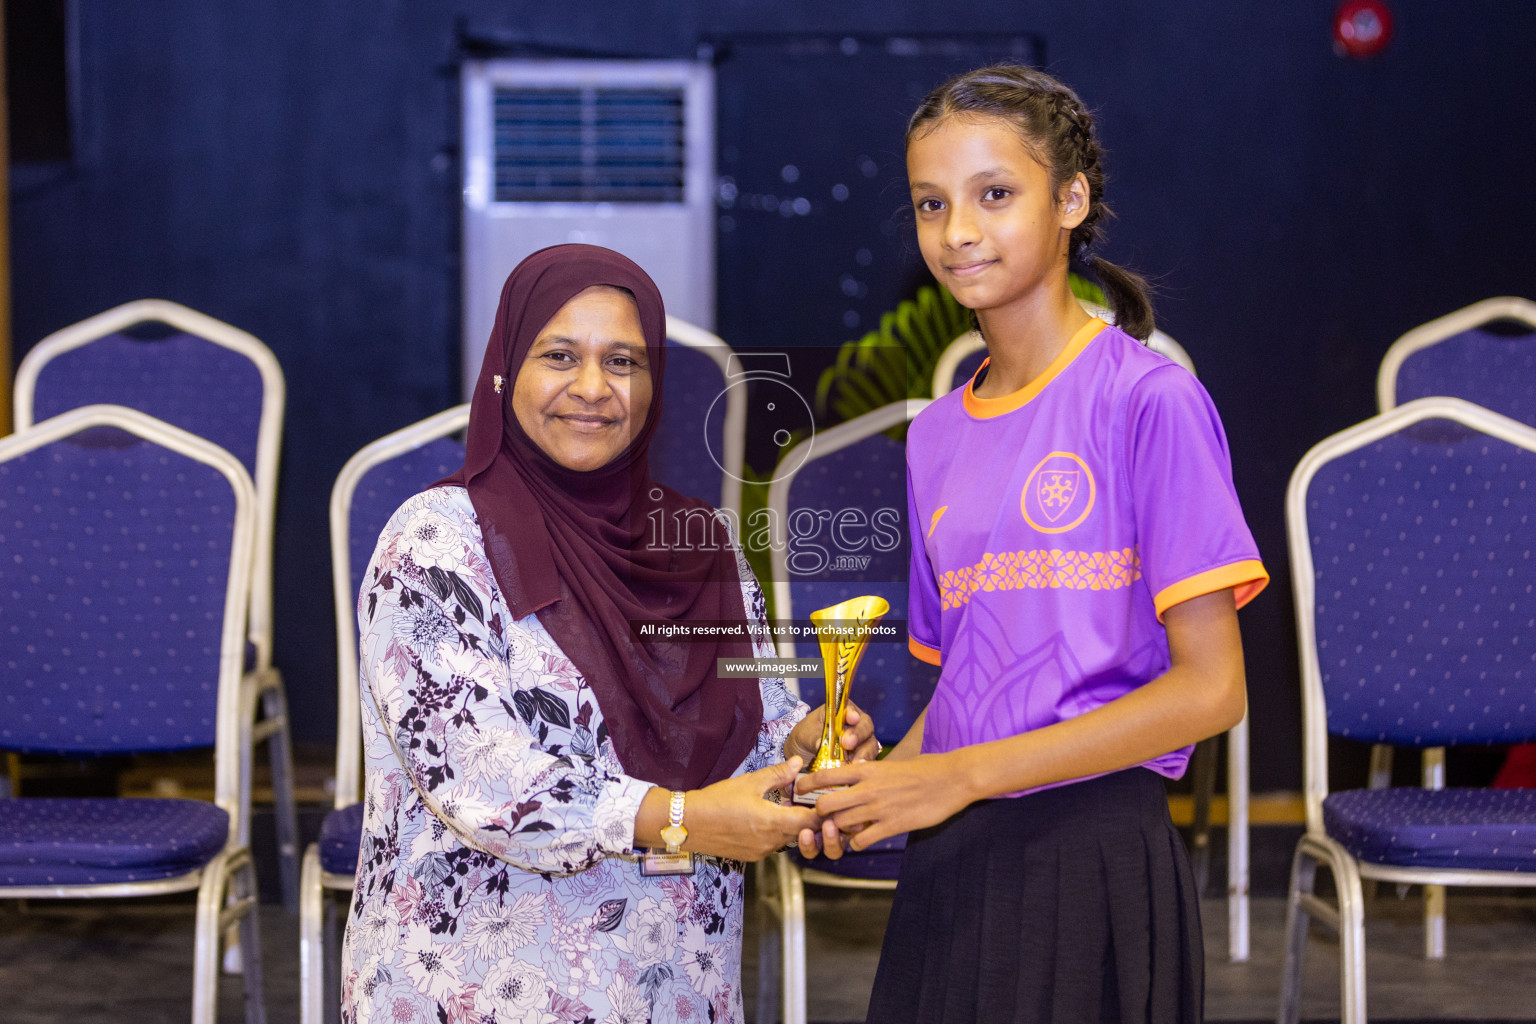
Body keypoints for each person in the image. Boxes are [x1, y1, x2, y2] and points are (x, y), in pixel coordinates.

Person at [798, 65, 1269, 1023]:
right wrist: (875, 784)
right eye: (932, 204)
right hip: (955, 854)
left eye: (994, 195)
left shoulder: (1148, 400)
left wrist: (955, 776)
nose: (958, 231)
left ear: (1071, 200)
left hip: (1092, 849)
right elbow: (965, 694)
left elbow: (1212, 690)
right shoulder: (932, 435)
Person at [341, 244, 872, 1024]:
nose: (592, 388)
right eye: (559, 355)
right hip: (477, 985)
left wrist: (803, 742)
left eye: (622, 360)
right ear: (503, 371)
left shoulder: (699, 540)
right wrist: (683, 818)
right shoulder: (435, 544)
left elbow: (749, 715)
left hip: (675, 981)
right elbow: (483, 780)